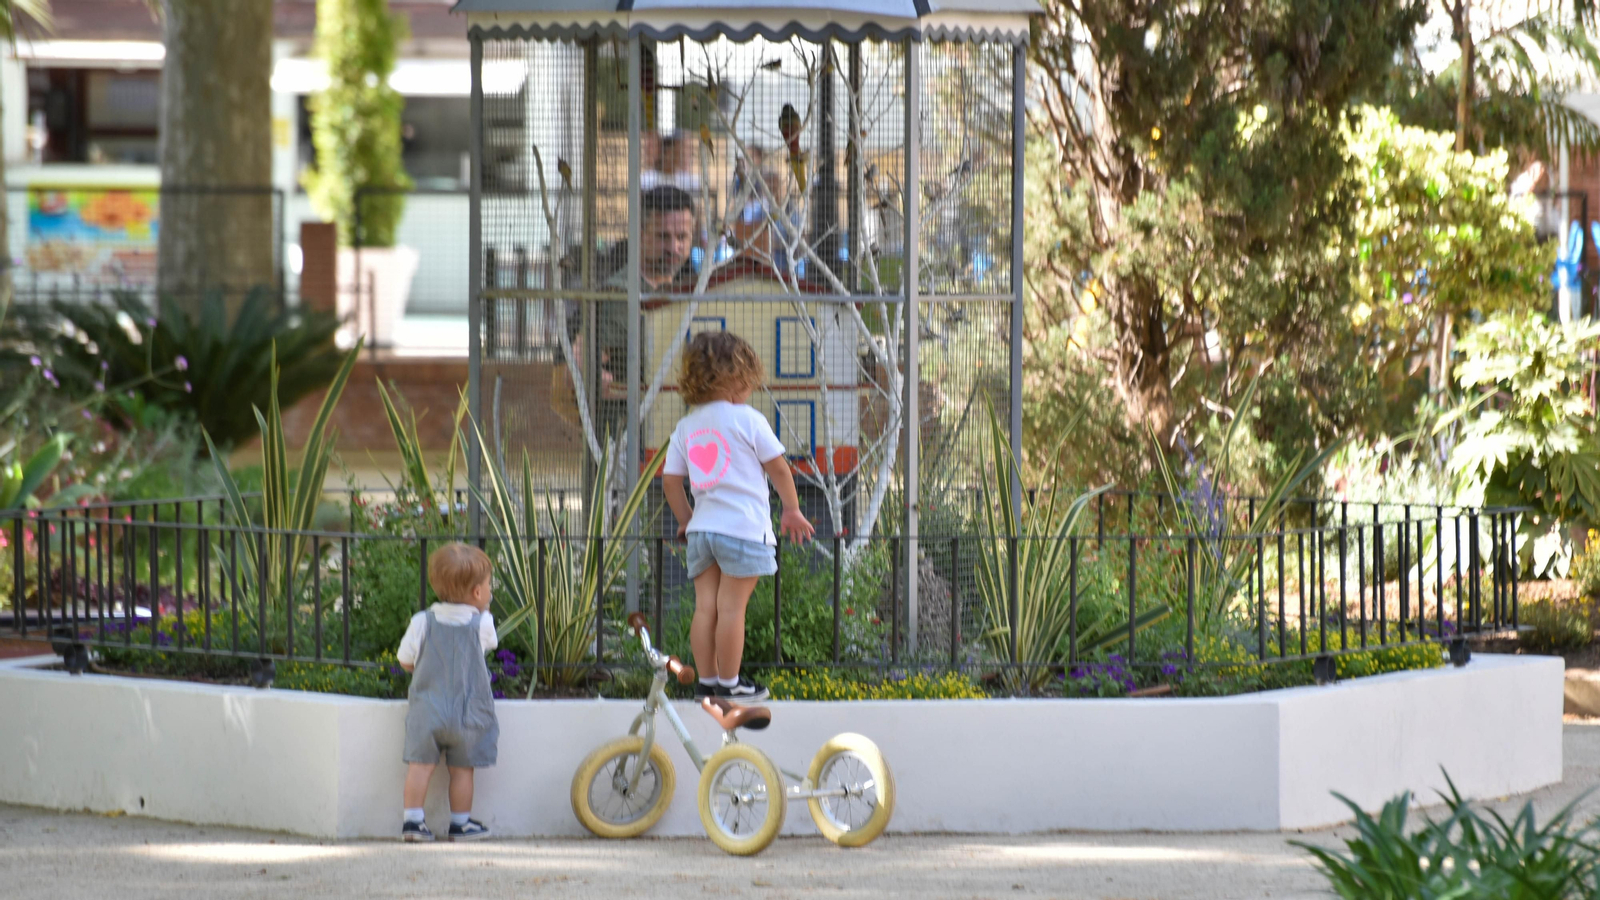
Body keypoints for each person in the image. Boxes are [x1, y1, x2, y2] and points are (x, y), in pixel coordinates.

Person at [662, 331, 815, 703]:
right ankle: (730, 684)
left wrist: (686, 518)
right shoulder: (749, 420)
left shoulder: (687, 426)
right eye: (748, 382)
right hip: (743, 531)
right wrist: (792, 510)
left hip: (703, 532)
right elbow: (778, 469)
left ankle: (707, 682)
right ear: (735, 379)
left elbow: (670, 480)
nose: (750, 389)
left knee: (706, 608)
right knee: (732, 608)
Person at [396, 542, 500, 843]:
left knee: (420, 766)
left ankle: (413, 822)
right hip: (468, 713)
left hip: (427, 710)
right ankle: (461, 824)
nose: (489, 591)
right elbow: (487, 647)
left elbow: (405, 661)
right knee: (463, 769)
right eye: (488, 586)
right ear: (478, 593)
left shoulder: (422, 622)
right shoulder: (483, 622)